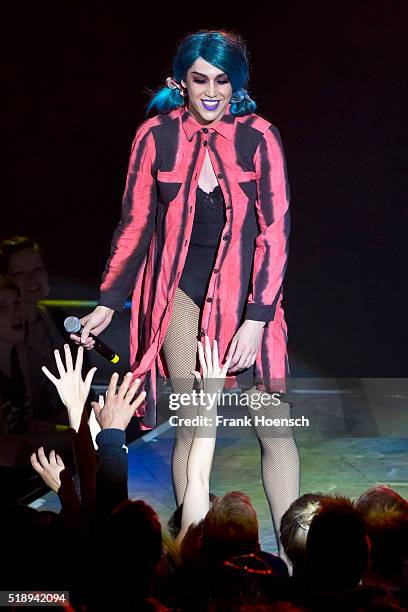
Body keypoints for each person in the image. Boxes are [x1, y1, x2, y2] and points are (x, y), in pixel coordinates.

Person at [70, 29, 299, 558]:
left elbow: (276, 231)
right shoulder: (155, 136)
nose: (212, 92)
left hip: (248, 303)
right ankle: (192, 557)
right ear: (182, 82)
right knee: (196, 424)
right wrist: (110, 299)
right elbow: (135, 222)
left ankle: (297, 560)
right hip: (179, 298)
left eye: (223, 80)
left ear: (237, 84)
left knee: (276, 427)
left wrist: (258, 317)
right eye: (200, 80)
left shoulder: (260, 136)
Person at [0, 235, 67, 423]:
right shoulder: (11, 339)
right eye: (19, 273)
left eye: (38, 269)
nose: (32, 278)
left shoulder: (57, 318)